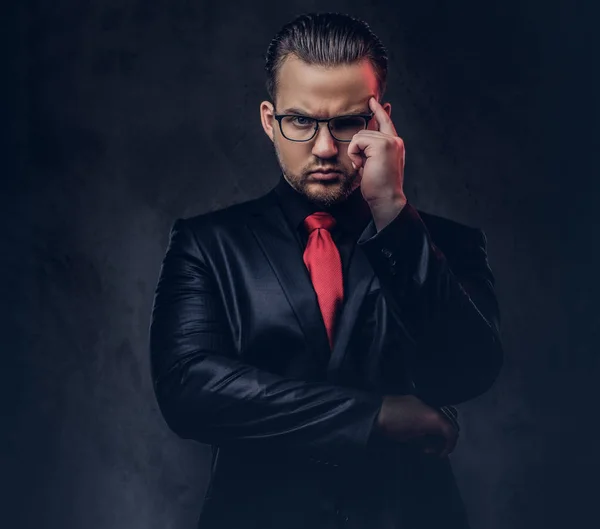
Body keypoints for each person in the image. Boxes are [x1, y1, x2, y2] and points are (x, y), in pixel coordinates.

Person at [149, 12, 503, 529]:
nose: (323, 148)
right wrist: (376, 416)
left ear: (381, 120)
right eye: (301, 121)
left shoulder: (446, 244)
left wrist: (392, 211)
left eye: (346, 122)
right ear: (269, 120)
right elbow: (188, 390)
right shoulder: (207, 245)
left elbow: (467, 370)